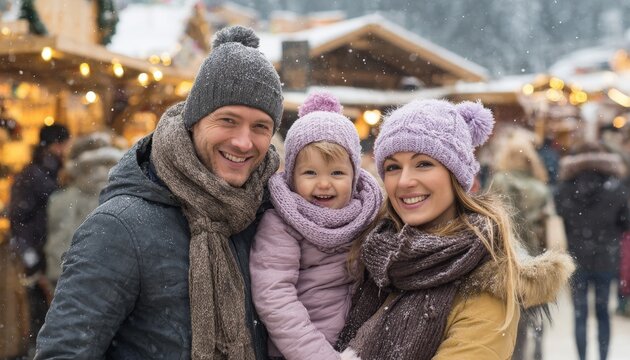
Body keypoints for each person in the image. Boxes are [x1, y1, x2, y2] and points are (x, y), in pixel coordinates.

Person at [35, 25, 283, 359]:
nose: (243, 141)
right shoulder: (120, 226)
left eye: (260, 127)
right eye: (227, 120)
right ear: (194, 121)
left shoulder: (268, 219)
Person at [335, 99, 575, 360]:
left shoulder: (486, 284)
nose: (404, 181)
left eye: (423, 164)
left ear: (456, 174)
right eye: (393, 167)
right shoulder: (371, 257)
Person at [249, 92, 382, 360]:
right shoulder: (282, 223)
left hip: (355, 344)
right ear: (292, 177)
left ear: (354, 176)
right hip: (300, 350)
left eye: (337, 173)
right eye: (310, 173)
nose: (323, 184)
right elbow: (275, 297)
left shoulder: (368, 216)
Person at [555, 143, 630, 360]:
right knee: (603, 312)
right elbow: (626, 223)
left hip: (576, 258)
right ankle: (603, 357)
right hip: (607, 258)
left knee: (579, 315)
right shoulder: (616, 187)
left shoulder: (564, 188)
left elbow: (562, 220)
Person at [490, 129, 555, 360]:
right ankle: (537, 355)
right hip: (539, 258)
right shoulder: (540, 187)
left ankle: (516, 356)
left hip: (510, 259)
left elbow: (492, 223)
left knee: (514, 320)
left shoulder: (499, 181)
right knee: (537, 314)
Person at [8, 123, 70, 349]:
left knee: (46, 317)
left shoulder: (51, 172)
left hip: (47, 253)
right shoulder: (36, 174)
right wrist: (31, 259)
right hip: (39, 255)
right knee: (41, 316)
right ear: (57, 145)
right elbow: (19, 218)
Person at [44, 132, 125, 286]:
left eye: (106, 164)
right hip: (113, 281)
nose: (100, 172)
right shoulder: (124, 196)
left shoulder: (63, 199)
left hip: (77, 282)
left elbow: (59, 246)